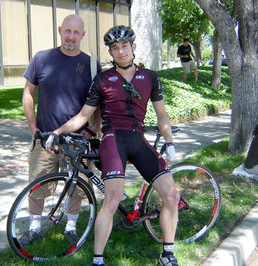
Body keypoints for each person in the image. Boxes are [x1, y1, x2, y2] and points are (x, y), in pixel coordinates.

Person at [48, 25, 180, 266]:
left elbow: (162, 115)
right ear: (110, 52)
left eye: (124, 46)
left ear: (133, 48)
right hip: (112, 140)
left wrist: (169, 140)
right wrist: (57, 132)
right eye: (115, 48)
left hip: (138, 139)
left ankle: (168, 254)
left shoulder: (150, 77)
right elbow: (83, 116)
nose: (120, 52)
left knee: (171, 195)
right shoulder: (103, 79)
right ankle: (98, 260)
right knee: (112, 199)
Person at [21, 14, 101, 246]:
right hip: (45, 137)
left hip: (78, 138)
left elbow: (98, 103)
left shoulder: (91, 65)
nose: (71, 37)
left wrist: (94, 128)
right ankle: (34, 227)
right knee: (37, 184)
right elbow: (28, 93)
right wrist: (33, 127)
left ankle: (71, 227)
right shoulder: (42, 59)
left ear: (83, 35)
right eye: (68, 31)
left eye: (76, 32)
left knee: (77, 187)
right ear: (59, 30)